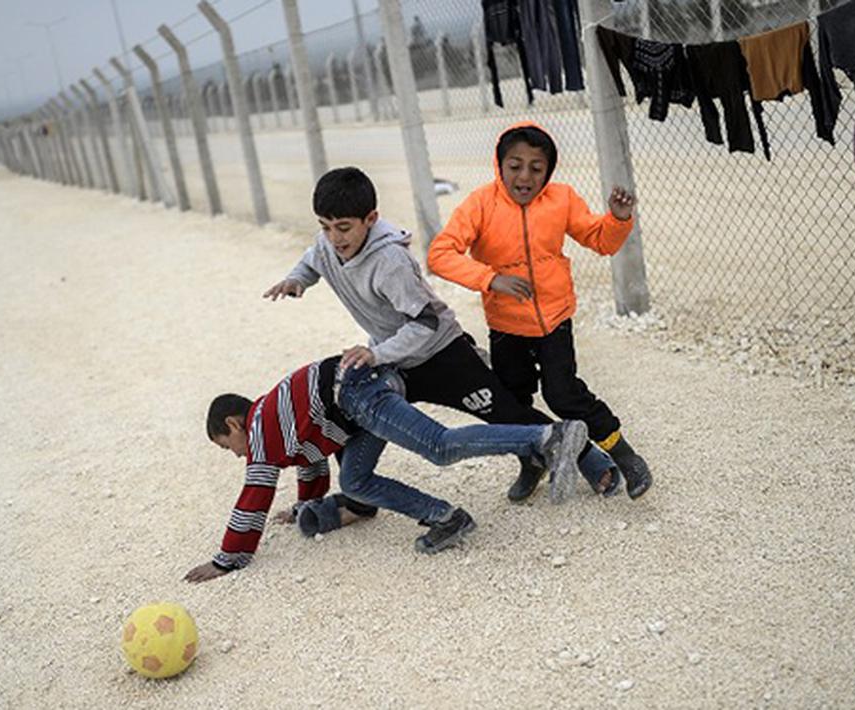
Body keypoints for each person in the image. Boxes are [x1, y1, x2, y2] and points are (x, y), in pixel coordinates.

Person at [262, 167, 620, 502]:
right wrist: (298, 280)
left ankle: (593, 462)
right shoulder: (326, 244)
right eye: (325, 227)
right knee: (363, 414)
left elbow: (427, 323)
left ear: (370, 219)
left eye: (342, 227)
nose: (333, 237)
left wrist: (378, 354)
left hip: (442, 354)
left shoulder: (390, 263)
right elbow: (313, 258)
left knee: (507, 413)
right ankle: (357, 499)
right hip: (396, 362)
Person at [183, 356, 588, 582]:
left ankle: (546, 438)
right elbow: (311, 464)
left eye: (228, 446)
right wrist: (305, 506)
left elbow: (253, 497)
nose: (237, 454)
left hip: (360, 393)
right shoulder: (275, 421)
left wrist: (227, 559)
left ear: (235, 424)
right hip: (356, 400)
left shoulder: (261, 430)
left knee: (440, 446)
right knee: (354, 480)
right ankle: (447, 518)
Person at [428, 122, 653, 498]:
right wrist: (490, 279)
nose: (525, 176)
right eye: (515, 165)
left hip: (554, 321)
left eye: (537, 167)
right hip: (506, 325)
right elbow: (440, 254)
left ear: (548, 170)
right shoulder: (480, 204)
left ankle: (623, 454)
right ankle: (531, 462)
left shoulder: (561, 198)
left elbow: (600, 241)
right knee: (512, 403)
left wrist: (617, 219)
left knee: (564, 395)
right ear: (499, 166)